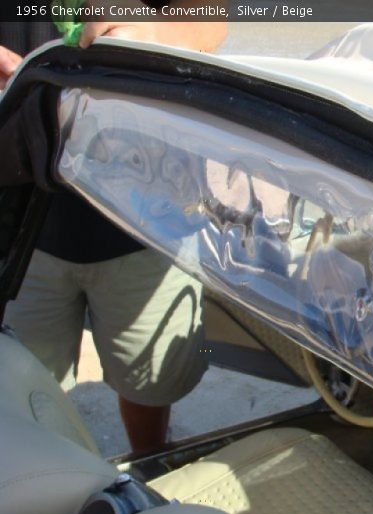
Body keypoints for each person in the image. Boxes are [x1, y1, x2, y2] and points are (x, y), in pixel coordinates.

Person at [0, 2, 227, 454]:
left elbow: (210, 17)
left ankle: (149, 458)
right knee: (22, 389)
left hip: (148, 220)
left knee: (152, 382)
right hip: (17, 222)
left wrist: (158, 33)